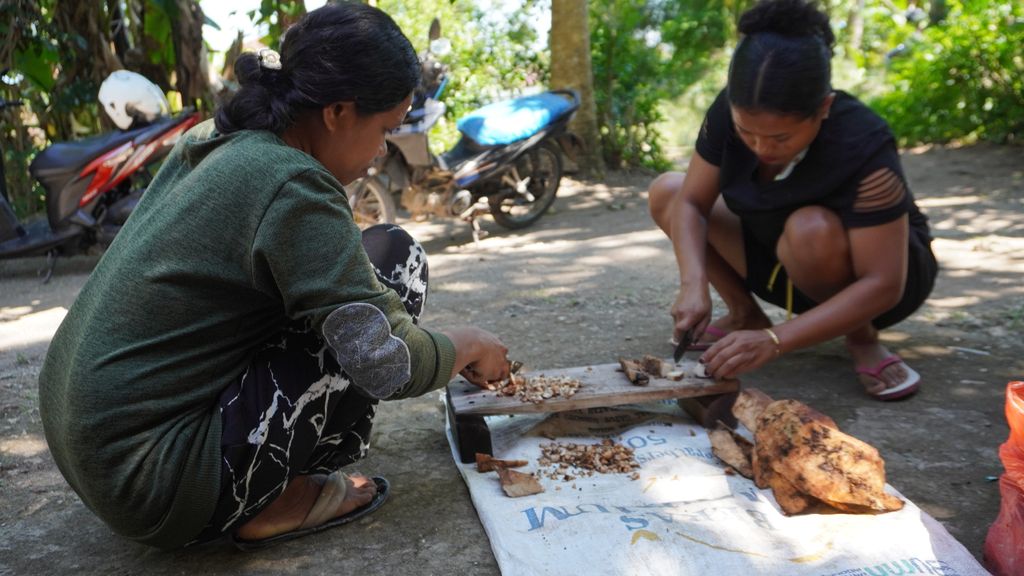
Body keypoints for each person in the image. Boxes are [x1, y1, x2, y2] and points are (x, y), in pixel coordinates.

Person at [38, 3, 509, 551]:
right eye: (384, 129)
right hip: (157, 484)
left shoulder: (218, 136)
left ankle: (255, 473)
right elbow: (386, 362)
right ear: (337, 111)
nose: (382, 152)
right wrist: (469, 343)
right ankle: (272, 499)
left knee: (375, 257)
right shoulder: (292, 183)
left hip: (96, 454)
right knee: (398, 264)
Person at [648, 0, 937, 400]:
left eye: (781, 137)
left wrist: (776, 340)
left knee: (809, 227)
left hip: (878, 286)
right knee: (668, 190)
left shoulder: (864, 143)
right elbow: (692, 204)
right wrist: (693, 285)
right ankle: (745, 315)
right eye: (746, 132)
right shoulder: (727, 113)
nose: (761, 147)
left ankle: (862, 338)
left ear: (824, 108)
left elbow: (884, 284)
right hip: (781, 265)